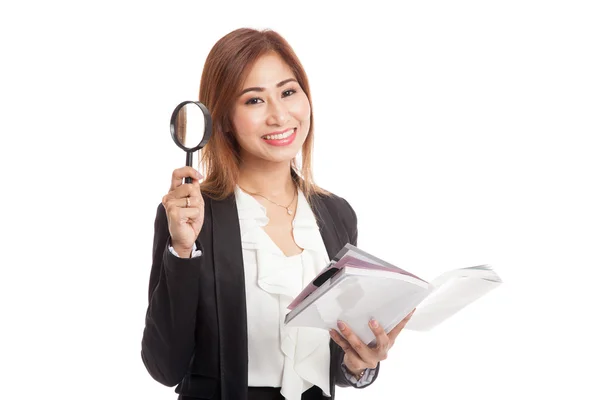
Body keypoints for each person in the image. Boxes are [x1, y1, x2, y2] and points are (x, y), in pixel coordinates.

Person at [141, 28, 414, 400]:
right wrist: (182, 250)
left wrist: (358, 364)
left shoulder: (336, 214)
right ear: (222, 120)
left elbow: (334, 356)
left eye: (288, 92)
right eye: (254, 101)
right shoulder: (192, 214)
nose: (279, 115)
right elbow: (164, 366)